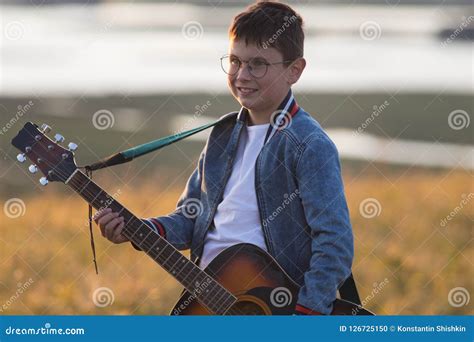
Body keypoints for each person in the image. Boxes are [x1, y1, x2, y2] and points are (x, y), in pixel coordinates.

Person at [94, 1, 353, 315]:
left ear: (294, 70)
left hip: (271, 311)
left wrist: (305, 313)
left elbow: (335, 243)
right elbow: (191, 219)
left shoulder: (308, 144)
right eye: (234, 61)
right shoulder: (222, 136)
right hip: (208, 302)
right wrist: (136, 230)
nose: (242, 75)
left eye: (257, 64)